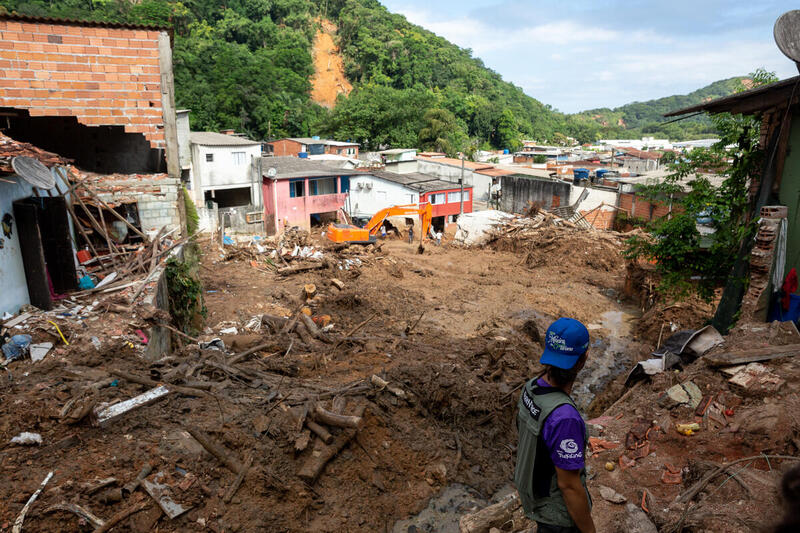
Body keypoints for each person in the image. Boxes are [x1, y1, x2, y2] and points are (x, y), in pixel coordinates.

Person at [514, 317, 595, 533]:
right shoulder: (565, 418)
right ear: (581, 361)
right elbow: (568, 485)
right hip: (557, 517)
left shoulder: (531, 388)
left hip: (533, 495)